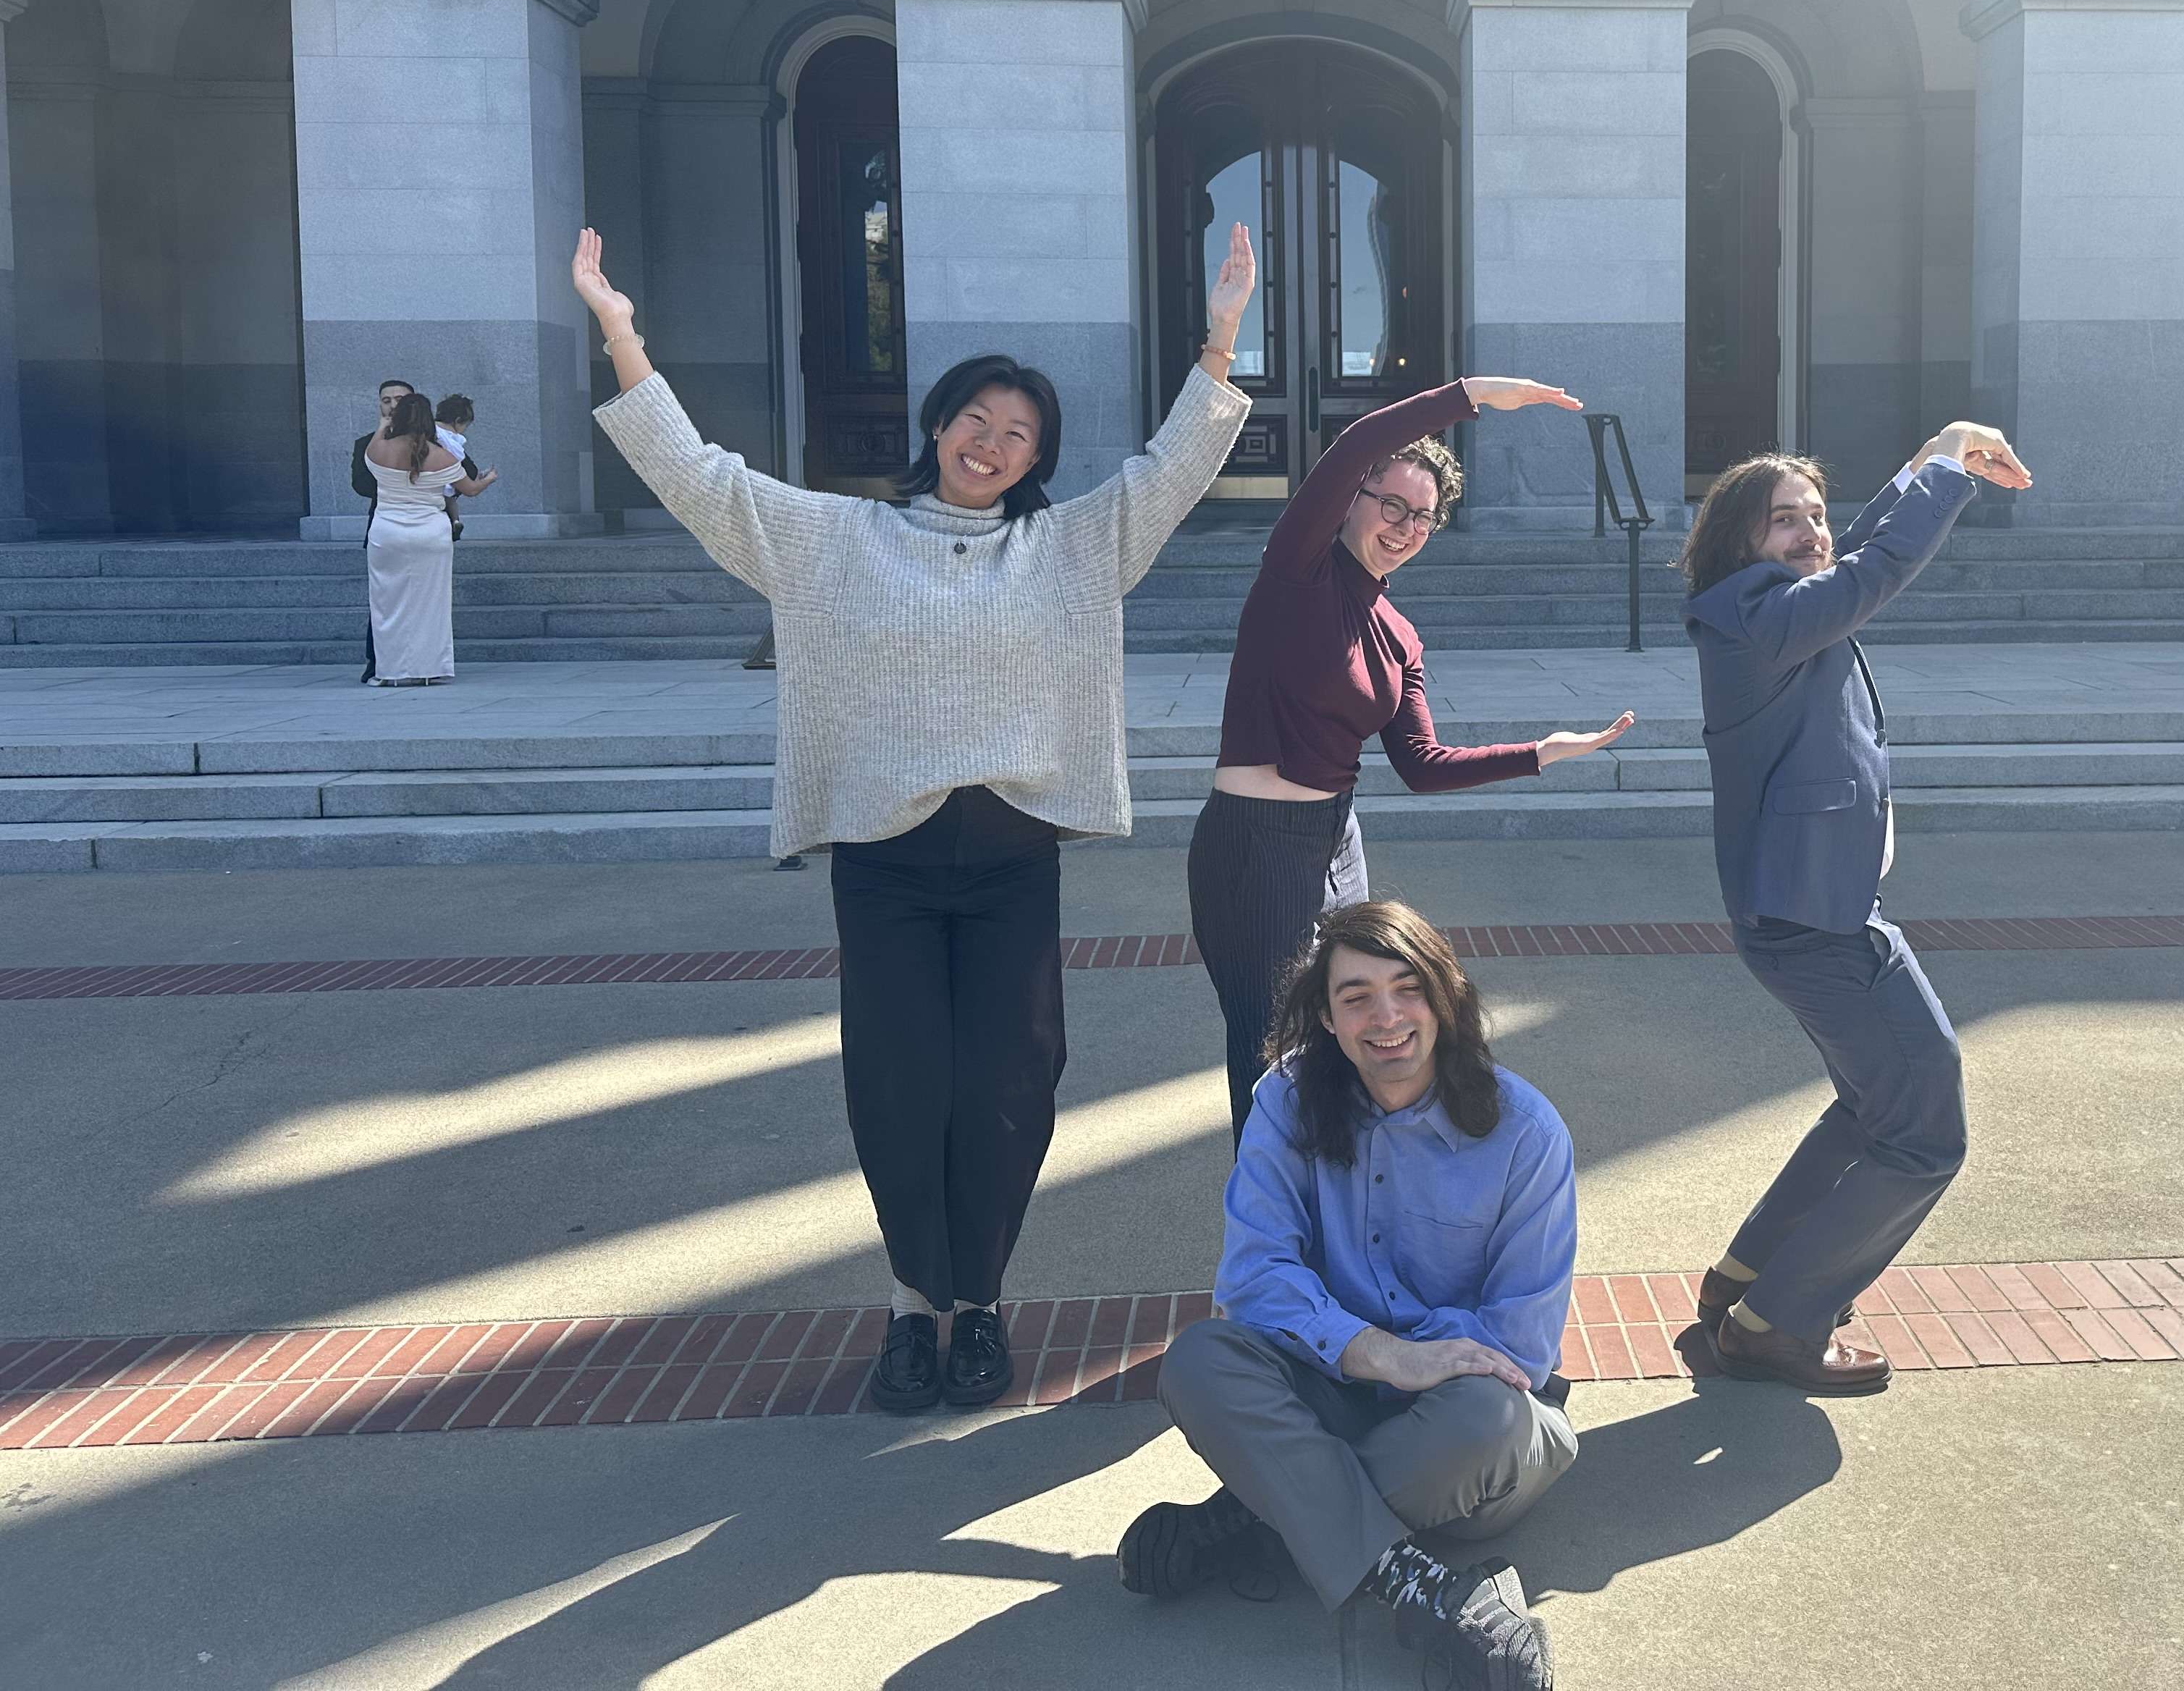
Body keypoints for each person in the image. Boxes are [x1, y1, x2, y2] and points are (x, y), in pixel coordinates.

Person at [571, 222, 1255, 1416]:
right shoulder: (840, 537)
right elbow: (699, 478)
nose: (992, 445)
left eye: (1018, 433)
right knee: (899, 1083)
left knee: (1008, 1079)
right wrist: (618, 329)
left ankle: (978, 1301)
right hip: (884, 860)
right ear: (936, 425)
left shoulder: (1069, 545)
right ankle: (911, 1307)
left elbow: (1170, 469)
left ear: (1037, 455)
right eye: (975, 421)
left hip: (1010, 857)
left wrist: (1220, 336)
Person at [1128, 899, 1575, 1691]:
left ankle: (1260, 1518)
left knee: (1490, 1416)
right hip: (1335, 1386)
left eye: (1408, 988)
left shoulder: (1527, 1134)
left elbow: (1521, 1350)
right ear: (1327, 1019)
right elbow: (1254, 1275)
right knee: (1198, 1360)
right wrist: (1376, 1352)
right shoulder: (1286, 1098)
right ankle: (1420, 1588)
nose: (1387, 1017)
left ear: (1446, 998)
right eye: (1355, 996)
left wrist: (1422, 1359)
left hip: (1465, 1434)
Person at [1677, 421, 2031, 1393]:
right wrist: (1951, 478)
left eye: (1815, 515)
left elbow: (1848, 554)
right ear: (1738, 542)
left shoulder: (1776, 602)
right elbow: (1868, 574)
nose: (1808, 532)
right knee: (1925, 1130)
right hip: (1814, 923)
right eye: (1782, 520)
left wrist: (1925, 458)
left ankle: (1747, 1284)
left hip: (1820, 908)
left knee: (1878, 1104)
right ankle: (1775, 1328)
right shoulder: (1755, 614)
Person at [1189, 381, 1635, 1137]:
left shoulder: (1398, 631)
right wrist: (1472, 394)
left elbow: (1422, 763)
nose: (1404, 526)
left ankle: (1350, 1219)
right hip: (1255, 845)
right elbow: (1359, 441)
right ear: (1353, 499)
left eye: (1423, 516)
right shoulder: (1297, 571)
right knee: (1274, 1058)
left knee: (1347, 1045)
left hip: (1339, 842)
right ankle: (1271, 1235)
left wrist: (1540, 754)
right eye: (1390, 504)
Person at [361, 391, 497, 687]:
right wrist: (488, 479)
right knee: (431, 604)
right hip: (430, 532)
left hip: (387, 531)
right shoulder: (443, 456)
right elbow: (470, 489)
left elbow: (371, 459)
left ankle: (389, 672)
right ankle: (429, 668)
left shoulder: (378, 449)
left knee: (386, 603)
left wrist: (383, 423)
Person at [352, 377, 413, 683]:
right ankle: (376, 661)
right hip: (384, 526)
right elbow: (361, 485)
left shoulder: (433, 440)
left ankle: (419, 660)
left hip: (423, 528)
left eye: (400, 400)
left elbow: (461, 473)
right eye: (387, 400)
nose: (393, 406)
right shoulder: (366, 442)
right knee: (383, 597)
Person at [433, 394, 476, 541]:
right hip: (447, 476)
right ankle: (456, 520)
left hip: (432, 479)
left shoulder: (429, 430)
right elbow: (458, 455)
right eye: (465, 426)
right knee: (450, 499)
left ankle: (455, 522)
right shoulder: (450, 437)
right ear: (458, 421)